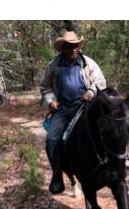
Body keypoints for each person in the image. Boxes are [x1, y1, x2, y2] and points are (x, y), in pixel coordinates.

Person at [40, 29, 106, 193]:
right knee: (51, 140)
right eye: (70, 46)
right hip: (63, 109)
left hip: (86, 108)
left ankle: (116, 163)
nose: (73, 49)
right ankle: (57, 175)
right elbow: (45, 86)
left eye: (76, 46)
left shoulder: (88, 63)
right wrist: (51, 101)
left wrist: (91, 92)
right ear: (63, 48)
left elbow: (100, 81)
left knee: (107, 131)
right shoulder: (54, 66)